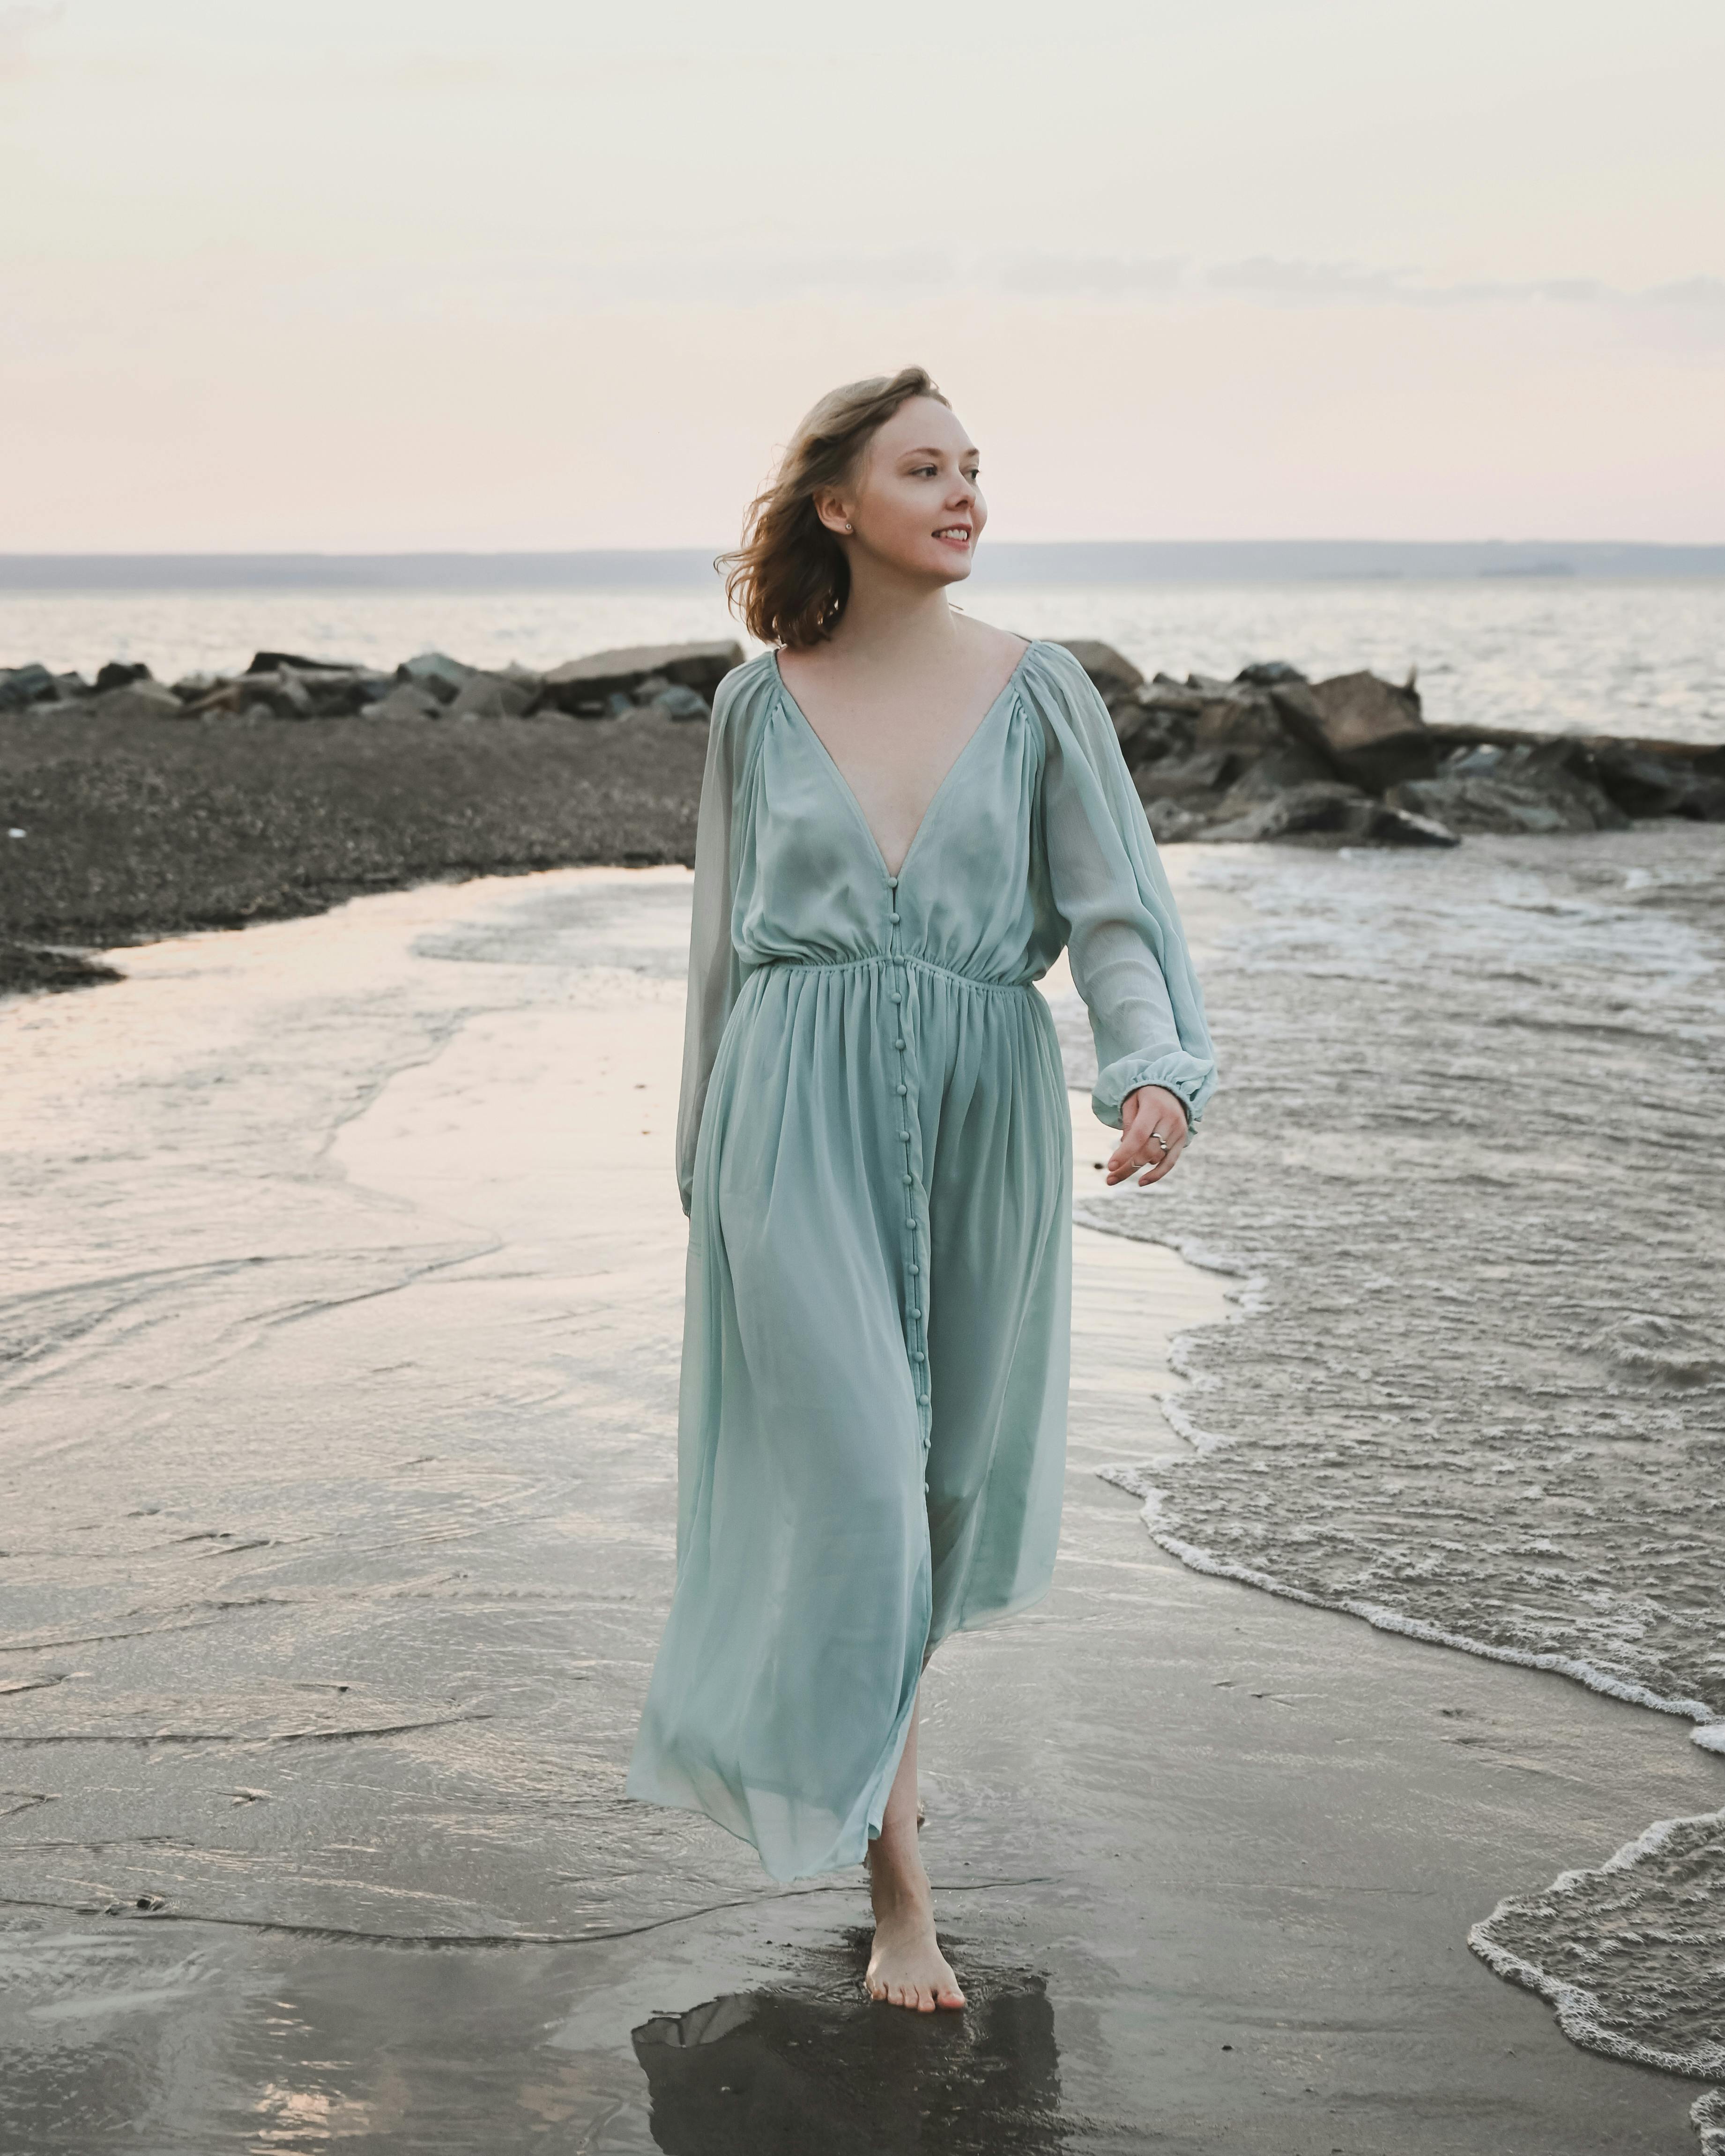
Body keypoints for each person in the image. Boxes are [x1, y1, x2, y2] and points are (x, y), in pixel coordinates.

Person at [625, 367, 1216, 2014]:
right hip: (784, 1123)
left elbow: (1115, 910)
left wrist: (1155, 1063)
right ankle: (901, 1889)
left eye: (973, 468)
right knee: (865, 1495)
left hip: (985, 1114)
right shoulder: (756, 706)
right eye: (923, 468)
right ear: (838, 504)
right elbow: (717, 950)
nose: (962, 493)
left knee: (942, 1493)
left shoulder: (1040, 693)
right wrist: (706, 1171)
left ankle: (882, 1754)